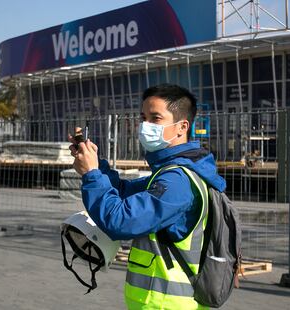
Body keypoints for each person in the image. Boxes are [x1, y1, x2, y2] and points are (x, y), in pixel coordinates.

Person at [68, 84, 226, 310]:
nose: (145, 126)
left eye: (156, 118)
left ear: (182, 126)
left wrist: (92, 175)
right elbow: (123, 192)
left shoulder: (177, 182)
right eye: (143, 118)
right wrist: (94, 162)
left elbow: (121, 220)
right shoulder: (170, 174)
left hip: (168, 305)